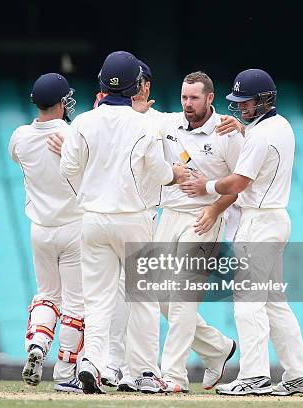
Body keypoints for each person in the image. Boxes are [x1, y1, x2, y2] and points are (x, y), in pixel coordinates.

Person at [58, 50, 190, 394]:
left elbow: (67, 170)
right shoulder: (145, 124)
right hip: (133, 219)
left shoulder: (83, 122)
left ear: (102, 83)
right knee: (142, 297)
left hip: (94, 219)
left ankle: (91, 364)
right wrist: (174, 174)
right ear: (136, 86)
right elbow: (161, 173)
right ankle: (145, 373)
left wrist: (88, 194)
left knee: (98, 298)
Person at [180, 68, 303, 396]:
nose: (242, 106)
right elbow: (261, 149)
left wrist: (207, 185)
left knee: (248, 302)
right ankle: (300, 373)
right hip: (275, 219)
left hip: (258, 222)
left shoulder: (260, 134)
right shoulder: (281, 126)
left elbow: (239, 183)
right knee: (273, 302)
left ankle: (255, 375)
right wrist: (244, 130)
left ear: (265, 99)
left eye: (248, 102)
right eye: (239, 101)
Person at [153, 71, 242, 393]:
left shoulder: (226, 134)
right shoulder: (168, 124)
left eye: (194, 98)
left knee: (181, 300)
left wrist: (214, 210)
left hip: (203, 219)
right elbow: (129, 121)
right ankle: (217, 349)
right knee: (158, 297)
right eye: (183, 97)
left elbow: (241, 184)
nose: (187, 104)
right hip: (169, 216)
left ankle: (173, 377)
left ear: (210, 98)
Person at [8, 73, 84, 393]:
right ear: (62, 102)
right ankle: (66, 372)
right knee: (76, 304)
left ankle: (38, 344)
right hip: (74, 228)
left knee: (47, 295)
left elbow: (20, 155)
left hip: (40, 229)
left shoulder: (20, 136)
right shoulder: (72, 134)